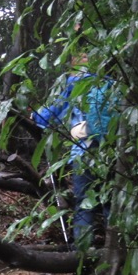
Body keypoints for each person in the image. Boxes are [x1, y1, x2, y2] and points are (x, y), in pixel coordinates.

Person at [32, 54, 111, 249]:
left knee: (85, 202)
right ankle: (116, 251)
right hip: (112, 151)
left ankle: (82, 254)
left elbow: (49, 116)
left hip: (84, 151)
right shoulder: (112, 84)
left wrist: (34, 115)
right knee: (111, 201)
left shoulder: (74, 83)